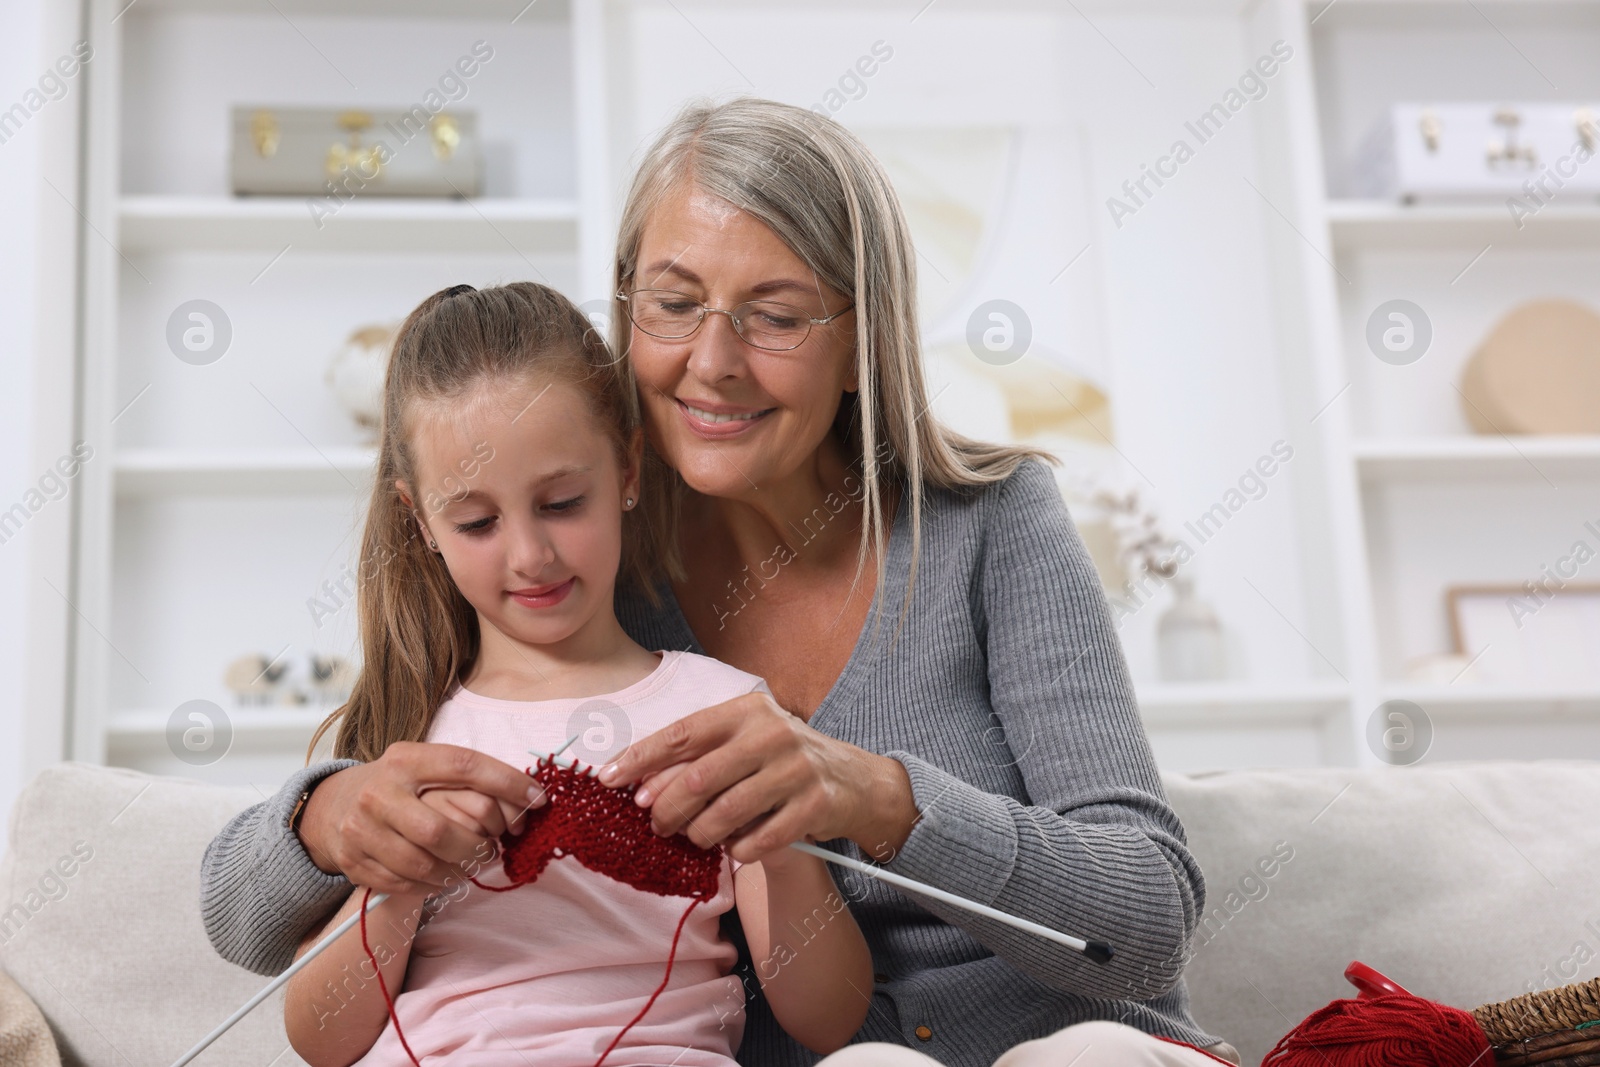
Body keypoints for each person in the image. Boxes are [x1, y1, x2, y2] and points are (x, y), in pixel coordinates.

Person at [202, 97, 1242, 1067]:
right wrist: (330, 815)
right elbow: (241, 919)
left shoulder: (991, 522)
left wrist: (877, 796)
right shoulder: (573, 570)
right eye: (675, 302)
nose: (713, 361)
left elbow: (1144, 924)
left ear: (859, 344)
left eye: (776, 314)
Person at [281, 280, 873, 1067]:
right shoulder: (411, 737)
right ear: (419, 519)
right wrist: (406, 879)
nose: (530, 555)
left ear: (628, 468)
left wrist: (780, 843)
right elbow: (318, 1038)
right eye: (477, 522)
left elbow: (829, 1019)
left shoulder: (725, 713)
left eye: (562, 502)